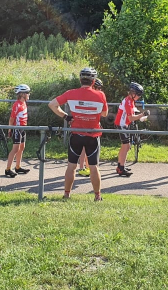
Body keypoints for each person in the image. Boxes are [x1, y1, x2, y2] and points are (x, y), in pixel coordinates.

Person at [48, 67, 108, 200]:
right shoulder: (100, 95)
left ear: (80, 80)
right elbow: (104, 114)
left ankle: (66, 194)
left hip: (76, 134)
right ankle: (97, 197)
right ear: (93, 81)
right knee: (93, 167)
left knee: (71, 166)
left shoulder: (71, 93)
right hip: (93, 135)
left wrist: (66, 116)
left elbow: (52, 104)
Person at [114, 82, 150, 177]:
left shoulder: (130, 100)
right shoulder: (128, 102)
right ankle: (121, 168)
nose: (139, 96)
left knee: (125, 146)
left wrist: (141, 116)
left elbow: (134, 112)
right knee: (126, 146)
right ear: (132, 93)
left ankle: (120, 166)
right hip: (122, 124)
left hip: (123, 124)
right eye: (138, 94)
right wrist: (142, 115)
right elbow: (131, 118)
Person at [77, 78, 104, 177]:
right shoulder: (92, 95)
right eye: (98, 88)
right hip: (85, 124)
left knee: (88, 146)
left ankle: (88, 166)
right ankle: (81, 167)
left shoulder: (96, 95)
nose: (100, 90)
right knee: (84, 147)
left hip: (92, 123)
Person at [5, 84, 31, 178]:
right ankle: (8, 169)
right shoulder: (17, 104)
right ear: (22, 94)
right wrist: (10, 130)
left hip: (23, 128)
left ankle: (18, 166)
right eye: (27, 93)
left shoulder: (24, 103)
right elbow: (12, 119)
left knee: (22, 147)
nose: (29, 94)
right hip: (17, 128)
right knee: (15, 149)